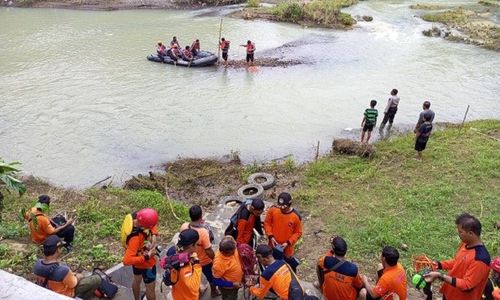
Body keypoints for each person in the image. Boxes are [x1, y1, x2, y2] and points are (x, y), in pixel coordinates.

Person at [424, 213, 491, 300]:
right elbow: (458, 262)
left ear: (470, 233)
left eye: (460, 232)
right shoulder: (466, 244)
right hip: (450, 293)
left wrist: (440, 276)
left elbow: (467, 285)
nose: (458, 234)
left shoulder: (480, 259)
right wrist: (439, 264)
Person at [33, 235, 101, 299]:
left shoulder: (37, 264)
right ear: (58, 250)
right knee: (96, 279)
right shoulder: (62, 270)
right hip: (63, 296)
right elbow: (73, 284)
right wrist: (79, 276)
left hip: (48, 292)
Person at [179, 205, 219, 297]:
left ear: (190, 216)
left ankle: (198, 294)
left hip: (190, 260)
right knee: (211, 277)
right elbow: (208, 250)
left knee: (194, 278)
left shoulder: (184, 226)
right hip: (204, 261)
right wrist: (215, 259)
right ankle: (214, 292)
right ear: (201, 216)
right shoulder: (203, 232)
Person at [122, 208, 159, 300]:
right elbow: (126, 261)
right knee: (150, 289)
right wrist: (147, 256)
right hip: (145, 264)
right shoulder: (135, 239)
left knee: (137, 279)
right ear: (144, 226)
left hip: (137, 260)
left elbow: (151, 222)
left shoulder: (136, 216)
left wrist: (154, 234)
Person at [263, 192, 302, 272]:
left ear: (289, 204)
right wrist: (270, 236)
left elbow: (298, 232)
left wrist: (288, 242)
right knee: (272, 266)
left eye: (284, 206)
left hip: (287, 249)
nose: (282, 208)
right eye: (280, 206)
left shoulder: (295, 217)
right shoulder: (273, 210)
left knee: (287, 268)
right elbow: (267, 223)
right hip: (273, 245)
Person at [316, 236, 363, 300]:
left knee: (319, 268)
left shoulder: (325, 261)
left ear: (333, 249)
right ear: (346, 250)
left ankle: (321, 287)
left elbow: (319, 263)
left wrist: (331, 251)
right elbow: (359, 285)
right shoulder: (353, 269)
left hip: (328, 297)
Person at [171, 229, 202, 300]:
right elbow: (194, 287)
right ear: (192, 245)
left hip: (178, 293)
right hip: (187, 297)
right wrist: (197, 265)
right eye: (197, 244)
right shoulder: (185, 265)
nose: (197, 246)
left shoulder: (175, 252)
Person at [212, 236, 244, 300]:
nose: (235, 252)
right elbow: (215, 280)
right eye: (232, 252)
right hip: (229, 289)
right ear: (224, 252)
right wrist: (232, 284)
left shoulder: (230, 242)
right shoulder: (218, 264)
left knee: (235, 296)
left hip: (236, 285)